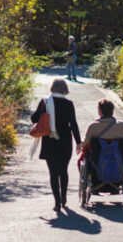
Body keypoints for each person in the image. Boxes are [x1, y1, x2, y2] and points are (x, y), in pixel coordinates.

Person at [31, 78, 82, 212]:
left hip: (49, 141)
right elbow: (74, 125)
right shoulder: (69, 104)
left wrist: (43, 113)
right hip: (65, 141)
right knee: (63, 171)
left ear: (52, 88)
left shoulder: (45, 102)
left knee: (53, 173)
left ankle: (57, 202)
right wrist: (78, 142)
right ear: (65, 89)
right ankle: (64, 198)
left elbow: (34, 119)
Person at [79, 99, 123, 163]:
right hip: (119, 163)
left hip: (97, 164)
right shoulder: (122, 126)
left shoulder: (93, 126)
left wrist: (81, 143)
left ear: (100, 111)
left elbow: (84, 145)